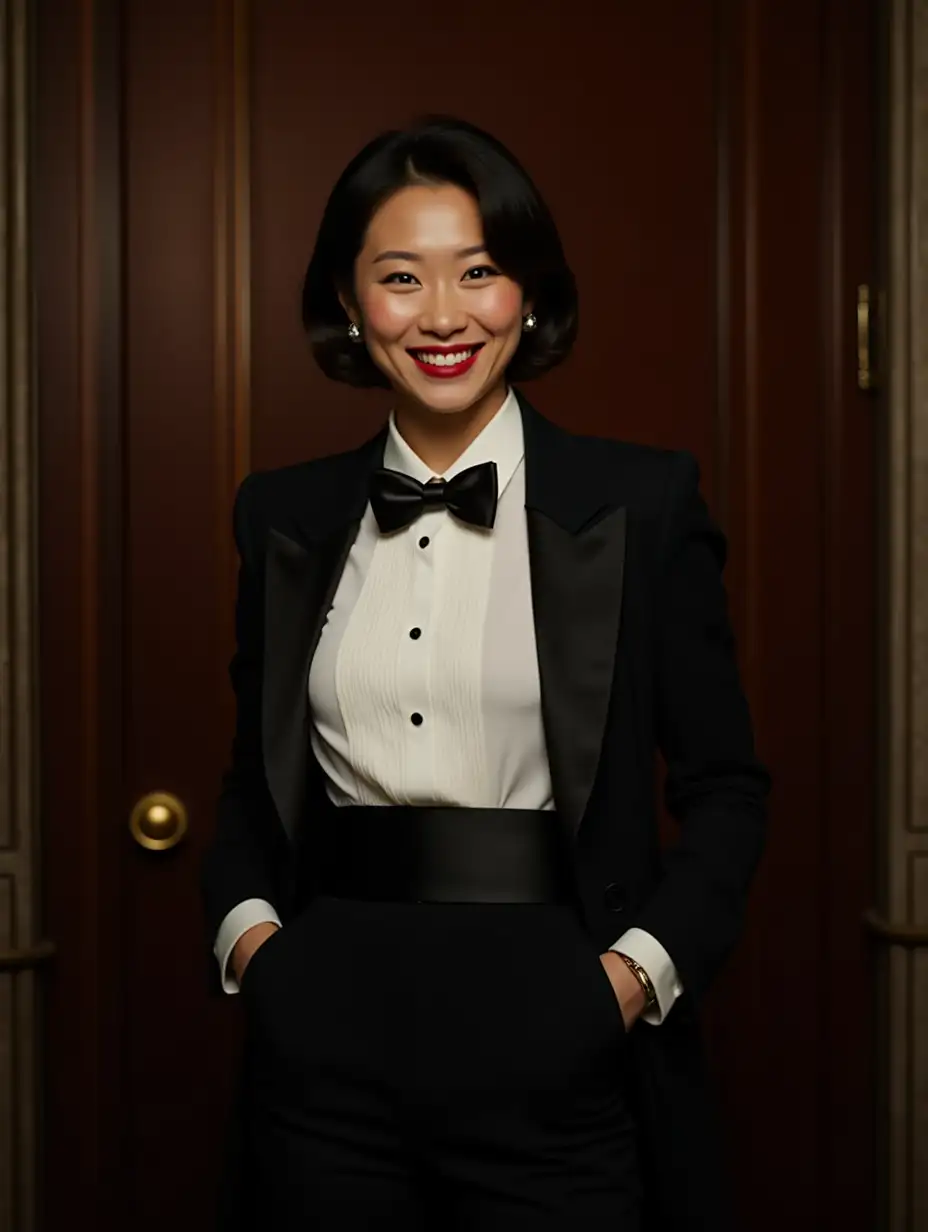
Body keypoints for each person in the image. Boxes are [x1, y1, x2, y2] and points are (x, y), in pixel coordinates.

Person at [202, 115, 770, 1231]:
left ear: (529, 294)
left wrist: (628, 978)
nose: (445, 315)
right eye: (401, 277)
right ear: (351, 305)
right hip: (322, 1048)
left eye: (481, 272)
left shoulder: (639, 507)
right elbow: (247, 779)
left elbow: (727, 787)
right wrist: (255, 947)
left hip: (556, 1036)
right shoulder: (283, 515)